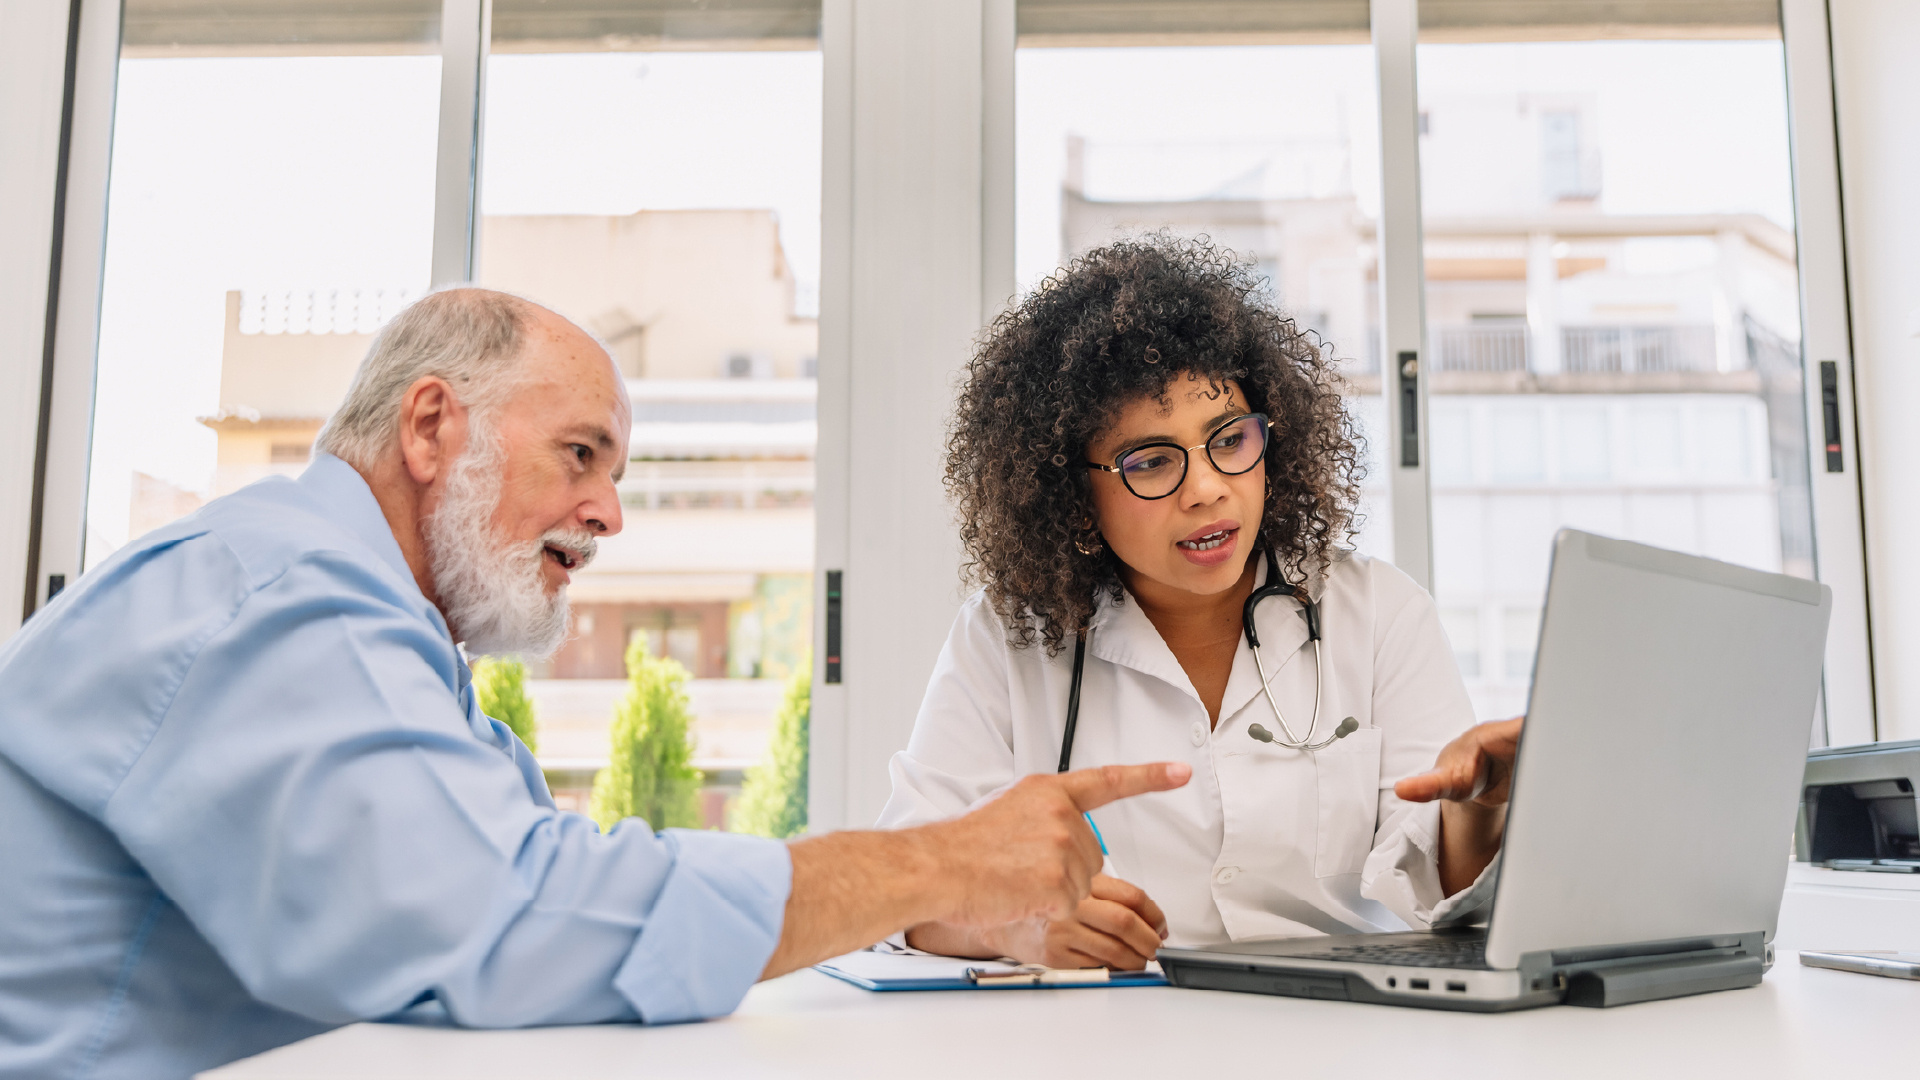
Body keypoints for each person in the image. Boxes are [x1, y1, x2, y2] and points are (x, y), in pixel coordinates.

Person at [0, 288, 1190, 1080]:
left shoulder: (380, 637)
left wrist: (915, 899)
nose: (608, 515)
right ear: (430, 427)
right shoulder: (269, 592)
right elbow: (507, 918)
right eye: (582, 455)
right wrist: (939, 863)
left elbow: (551, 881)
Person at [879, 237, 1521, 970]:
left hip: (1343, 1032)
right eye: (1152, 461)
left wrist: (1480, 807)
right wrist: (1006, 927)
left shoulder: (1379, 612)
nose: (1208, 487)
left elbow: (1442, 894)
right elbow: (908, 883)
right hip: (1113, 1035)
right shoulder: (1007, 639)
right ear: (1073, 497)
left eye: (1228, 440)